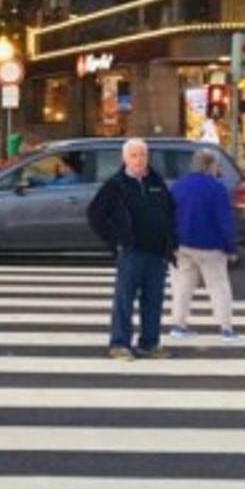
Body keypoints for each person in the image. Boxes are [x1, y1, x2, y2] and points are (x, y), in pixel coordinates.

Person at [87, 138, 177, 361]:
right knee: (125, 300)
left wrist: (171, 242)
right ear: (125, 158)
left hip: (157, 253)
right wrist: (115, 239)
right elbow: (95, 215)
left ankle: (149, 343)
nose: (139, 160)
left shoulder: (157, 182)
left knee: (153, 301)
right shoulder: (116, 184)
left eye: (142, 155)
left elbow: (169, 212)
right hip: (132, 251)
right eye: (134, 155)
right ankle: (119, 343)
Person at [169, 150, 239, 342]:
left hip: (182, 244)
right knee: (218, 286)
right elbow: (224, 221)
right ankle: (226, 328)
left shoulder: (179, 186)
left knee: (182, 286)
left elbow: (170, 216)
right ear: (211, 166)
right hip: (211, 246)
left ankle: (179, 325)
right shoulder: (218, 188)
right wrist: (231, 248)